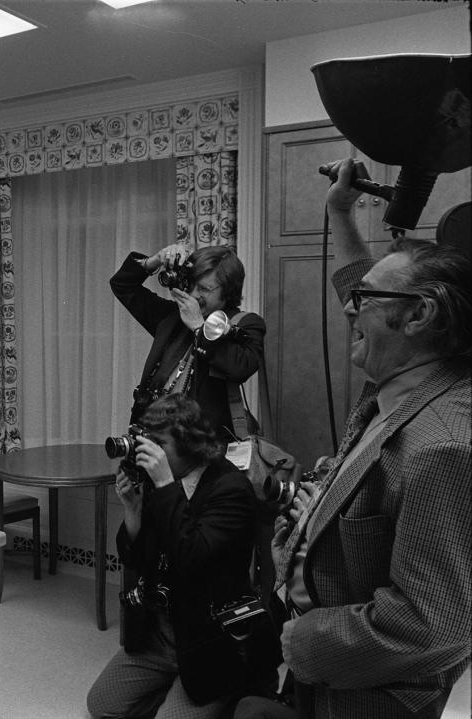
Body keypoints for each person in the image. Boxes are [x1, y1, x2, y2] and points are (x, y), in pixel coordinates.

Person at [247, 158, 471, 719]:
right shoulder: (399, 383)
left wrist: (305, 641)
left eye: (365, 302)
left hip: (369, 698)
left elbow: (430, 626)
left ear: (419, 315)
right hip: (330, 679)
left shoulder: (443, 447)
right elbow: (361, 285)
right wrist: (340, 210)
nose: (349, 308)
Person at [87, 394, 275, 718]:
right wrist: (133, 511)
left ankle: (225, 692)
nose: (150, 453)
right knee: (103, 704)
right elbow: (138, 560)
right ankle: (172, 687)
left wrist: (163, 485)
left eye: (159, 444)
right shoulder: (161, 483)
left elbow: (192, 559)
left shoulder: (229, 488)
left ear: (189, 443)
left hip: (210, 640)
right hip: (162, 632)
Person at [111, 243, 265, 443]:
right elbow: (122, 286)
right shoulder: (172, 317)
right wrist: (155, 260)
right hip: (152, 437)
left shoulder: (246, 323)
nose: (193, 295)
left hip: (201, 448)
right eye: (191, 285)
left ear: (227, 291)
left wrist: (199, 328)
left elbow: (241, 368)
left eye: (204, 289)